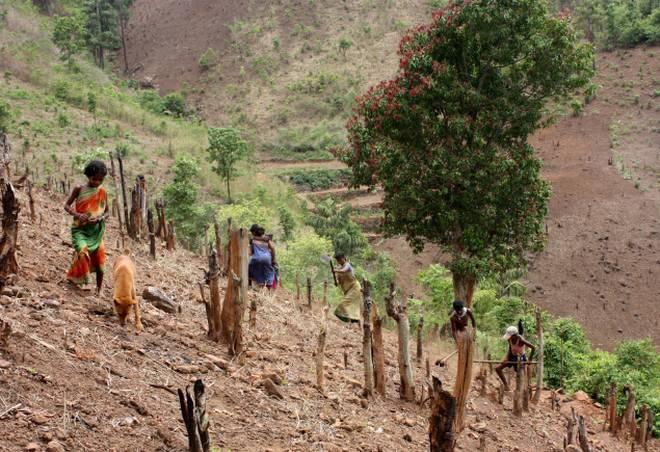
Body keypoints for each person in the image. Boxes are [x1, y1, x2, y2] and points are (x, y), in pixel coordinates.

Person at [64, 160, 109, 294]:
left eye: (100, 180)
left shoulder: (102, 192)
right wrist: (77, 214)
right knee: (83, 252)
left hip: (96, 232)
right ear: (88, 176)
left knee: (100, 261)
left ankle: (98, 289)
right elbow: (66, 206)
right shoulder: (79, 189)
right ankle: (76, 279)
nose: (97, 182)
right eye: (94, 179)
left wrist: (100, 218)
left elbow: (107, 211)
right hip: (80, 230)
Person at [495, 325, 535, 391]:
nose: (509, 338)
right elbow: (510, 348)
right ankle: (506, 385)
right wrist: (506, 358)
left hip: (521, 358)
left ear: (514, 335)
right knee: (498, 368)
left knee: (520, 375)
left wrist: (530, 359)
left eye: (510, 336)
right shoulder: (510, 339)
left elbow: (533, 347)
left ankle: (521, 390)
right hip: (512, 357)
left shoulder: (521, 340)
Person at [333, 252, 362, 323]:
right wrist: (336, 281)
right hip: (347, 290)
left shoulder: (347, 265)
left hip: (355, 288)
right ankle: (352, 322)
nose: (339, 261)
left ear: (344, 258)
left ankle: (351, 321)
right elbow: (337, 283)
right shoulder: (339, 269)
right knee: (348, 306)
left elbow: (344, 270)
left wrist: (335, 271)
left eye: (340, 259)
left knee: (344, 304)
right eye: (338, 260)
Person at [248, 224, 276, 289]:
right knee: (269, 271)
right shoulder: (267, 239)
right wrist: (274, 259)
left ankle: (254, 284)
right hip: (267, 259)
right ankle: (269, 287)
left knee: (250, 269)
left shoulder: (252, 240)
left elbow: (250, 253)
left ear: (254, 232)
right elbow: (273, 248)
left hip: (256, 258)